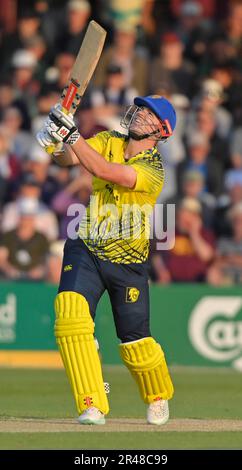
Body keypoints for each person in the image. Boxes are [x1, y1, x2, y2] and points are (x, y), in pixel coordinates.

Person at [36, 95, 176, 425]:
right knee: (70, 317)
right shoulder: (109, 139)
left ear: (163, 130)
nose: (140, 114)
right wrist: (54, 144)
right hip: (87, 245)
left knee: (135, 342)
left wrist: (71, 134)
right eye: (140, 108)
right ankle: (92, 403)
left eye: (150, 113)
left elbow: (104, 170)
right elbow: (71, 161)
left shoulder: (153, 169)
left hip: (128, 261)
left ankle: (157, 395)